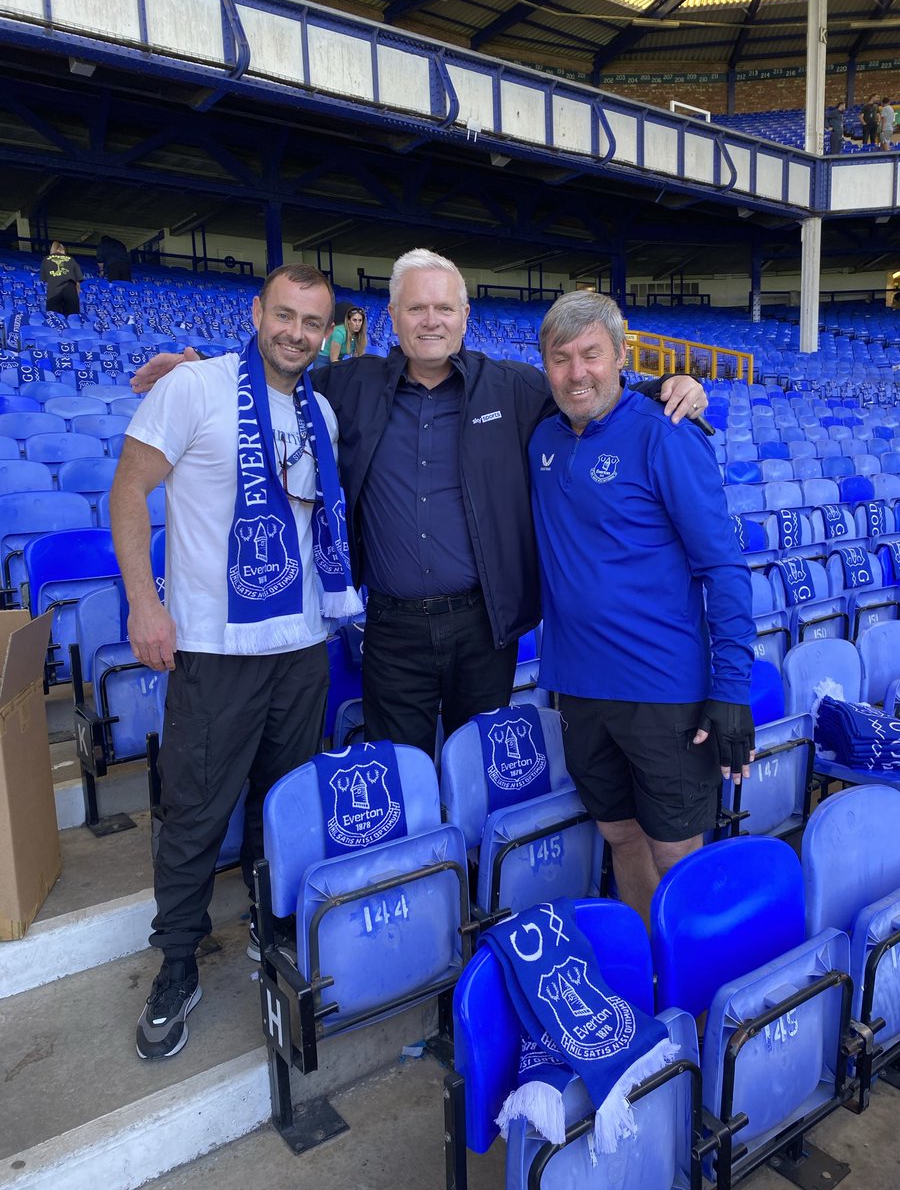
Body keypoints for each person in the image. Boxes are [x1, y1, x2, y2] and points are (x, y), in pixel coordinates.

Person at [131, 249, 708, 757]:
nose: (431, 321)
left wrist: (662, 389)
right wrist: (199, 365)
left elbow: (586, 393)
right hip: (391, 629)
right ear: (393, 319)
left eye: (444, 309)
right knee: (398, 769)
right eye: (416, 309)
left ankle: (476, 877)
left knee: (482, 766)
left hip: (485, 628)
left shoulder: (514, 387)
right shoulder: (349, 386)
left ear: (464, 319)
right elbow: (277, 371)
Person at [110, 263, 361, 1060]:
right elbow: (127, 491)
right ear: (256, 314)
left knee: (280, 807)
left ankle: (267, 926)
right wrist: (145, 603)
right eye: (283, 315)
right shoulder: (195, 388)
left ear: (329, 333)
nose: (295, 333)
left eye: (311, 323)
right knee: (194, 814)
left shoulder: (319, 409)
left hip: (301, 647)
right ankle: (177, 964)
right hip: (216, 651)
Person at [529, 290, 755, 929]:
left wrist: (732, 686)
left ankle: (702, 1000)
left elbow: (723, 566)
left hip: (662, 691)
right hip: (577, 688)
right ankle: (655, 981)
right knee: (622, 838)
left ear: (621, 354)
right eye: (562, 359)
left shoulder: (666, 432)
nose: (578, 373)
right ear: (544, 366)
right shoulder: (541, 435)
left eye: (592, 355)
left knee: (678, 852)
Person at [39, 241, 82, 316]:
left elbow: (45, 280)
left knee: (53, 318)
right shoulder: (71, 259)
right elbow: (77, 282)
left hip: (54, 291)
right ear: (61, 249)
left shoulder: (46, 259)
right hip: (70, 290)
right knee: (73, 318)